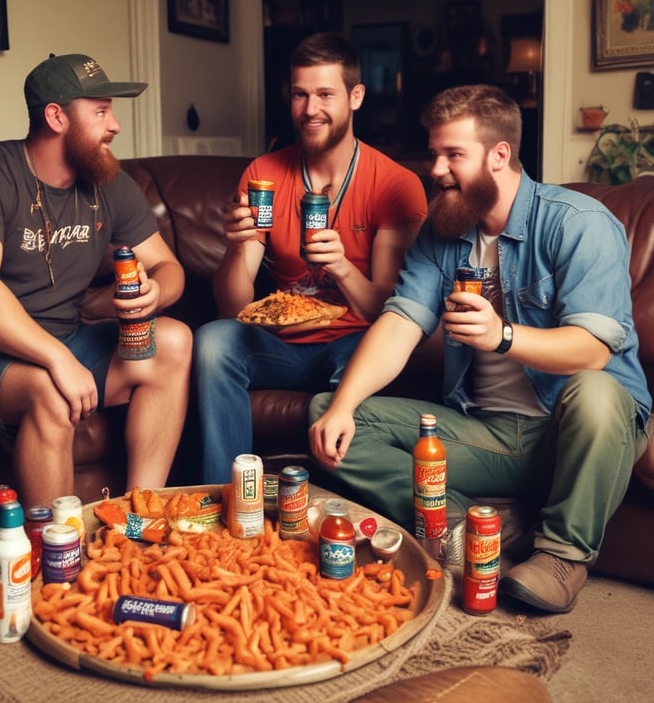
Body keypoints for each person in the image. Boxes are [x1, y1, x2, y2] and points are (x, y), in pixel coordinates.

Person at [309, 84, 651, 614]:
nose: (437, 169)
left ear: (499, 155)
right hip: (487, 431)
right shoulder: (443, 230)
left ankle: (561, 557)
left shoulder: (578, 224)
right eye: (434, 153)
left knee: (598, 392)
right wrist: (343, 406)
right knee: (331, 414)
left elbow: (592, 350)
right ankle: (477, 525)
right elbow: (401, 320)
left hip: (575, 432)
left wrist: (503, 336)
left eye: (453, 155)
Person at [0, 53, 192, 509]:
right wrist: (57, 358)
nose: (115, 125)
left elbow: (170, 267)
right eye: (101, 112)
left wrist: (157, 291)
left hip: (63, 339)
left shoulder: (107, 182)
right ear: (56, 116)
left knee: (175, 340)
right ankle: (59, 560)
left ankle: (141, 515)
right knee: (50, 388)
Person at [193, 32, 428, 483]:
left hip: (354, 342)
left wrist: (340, 266)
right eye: (300, 94)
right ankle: (228, 495)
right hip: (280, 341)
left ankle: (338, 505)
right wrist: (238, 245)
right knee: (213, 340)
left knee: (368, 361)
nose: (310, 109)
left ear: (355, 96)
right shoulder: (263, 174)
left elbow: (391, 313)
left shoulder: (394, 185)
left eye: (325, 94)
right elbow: (232, 305)